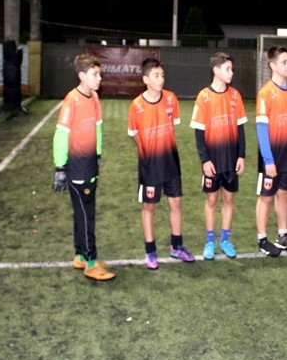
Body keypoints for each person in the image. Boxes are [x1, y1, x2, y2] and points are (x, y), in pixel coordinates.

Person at [52, 53, 115, 281]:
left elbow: (97, 128)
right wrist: (60, 168)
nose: (99, 78)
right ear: (81, 76)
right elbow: (61, 135)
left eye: (99, 73)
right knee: (87, 214)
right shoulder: (72, 100)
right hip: (77, 167)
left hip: (90, 164)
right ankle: (90, 262)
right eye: (94, 74)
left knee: (83, 212)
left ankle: (80, 255)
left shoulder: (94, 97)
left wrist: (97, 154)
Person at [128, 57, 193, 269]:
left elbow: (173, 126)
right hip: (150, 166)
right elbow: (133, 133)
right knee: (149, 206)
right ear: (145, 79)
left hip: (170, 161)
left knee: (176, 203)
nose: (161, 79)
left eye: (162, 75)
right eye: (156, 75)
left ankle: (177, 246)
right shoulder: (136, 106)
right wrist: (147, 150)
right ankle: (150, 251)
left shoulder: (171, 99)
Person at [189, 52, 247, 260]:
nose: (232, 72)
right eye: (228, 69)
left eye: (232, 69)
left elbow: (240, 129)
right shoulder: (204, 96)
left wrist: (241, 156)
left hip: (231, 159)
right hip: (212, 160)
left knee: (229, 199)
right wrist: (205, 160)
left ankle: (225, 240)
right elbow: (199, 132)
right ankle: (210, 241)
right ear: (216, 70)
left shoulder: (235, 96)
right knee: (212, 199)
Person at [255, 46, 287, 257]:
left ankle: (282, 236)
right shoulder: (266, 93)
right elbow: (261, 128)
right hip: (271, 155)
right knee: (266, 197)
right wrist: (268, 160)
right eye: (284, 62)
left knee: (284, 194)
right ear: (272, 65)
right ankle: (262, 239)